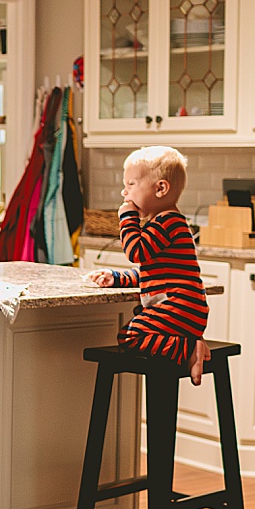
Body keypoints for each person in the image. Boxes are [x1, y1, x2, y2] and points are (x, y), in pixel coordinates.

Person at [87, 145, 212, 385]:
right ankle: (190, 342)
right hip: (187, 308)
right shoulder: (167, 221)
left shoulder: (166, 221)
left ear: (161, 188)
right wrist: (117, 278)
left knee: (131, 336)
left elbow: (135, 252)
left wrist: (127, 217)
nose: (125, 193)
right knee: (140, 325)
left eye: (131, 185)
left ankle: (188, 349)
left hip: (179, 305)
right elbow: (152, 271)